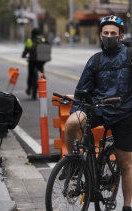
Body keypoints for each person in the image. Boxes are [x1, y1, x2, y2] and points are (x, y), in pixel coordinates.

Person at [64, 15, 132, 211]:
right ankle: (74, 164)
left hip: (124, 113)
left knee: (126, 163)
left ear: (121, 36)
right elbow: (81, 92)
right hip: (98, 109)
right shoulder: (94, 60)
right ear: (100, 36)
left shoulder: (129, 56)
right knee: (71, 123)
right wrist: (78, 110)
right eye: (106, 33)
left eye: (113, 33)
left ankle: (127, 205)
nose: (109, 36)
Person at [22, 28, 46, 100]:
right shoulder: (42, 39)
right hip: (40, 61)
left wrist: (24, 55)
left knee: (30, 74)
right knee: (41, 72)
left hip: (32, 60)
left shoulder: (29, 40)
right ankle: (43, 77)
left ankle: (29, 88)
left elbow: (26, 49)